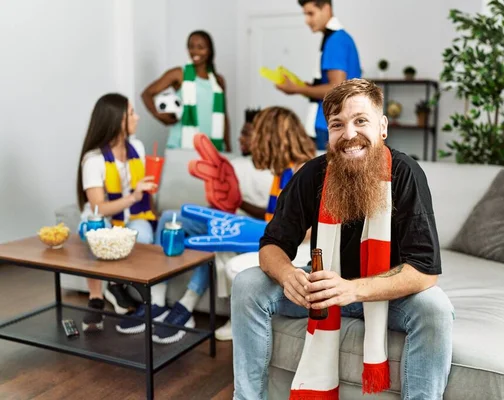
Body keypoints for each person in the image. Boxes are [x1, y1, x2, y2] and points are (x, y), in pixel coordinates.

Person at [230, 79, 454, 399]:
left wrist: (351, 289)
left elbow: (425, 270)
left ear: (383, 127)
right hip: (321, 291)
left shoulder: (405, 173)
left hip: (385, 295)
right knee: (247, 283)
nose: (349, 135)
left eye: (360, 121)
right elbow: (272, 245)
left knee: (436, 308)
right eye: (338, 124)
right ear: (329, 132)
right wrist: (288, 274)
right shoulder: (312, 174)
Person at [153, 106, 316, 344]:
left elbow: (311, 229)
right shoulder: (284, 170)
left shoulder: (305, 171)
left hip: (288, 247)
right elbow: (278, 215)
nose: (255, 142)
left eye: (259, 135)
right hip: (270, 235)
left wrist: (263, 233)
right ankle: (173, 304)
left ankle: (191, 307)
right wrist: (241, 207)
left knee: (218, 241)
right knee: (192, 224)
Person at [76, 93, 159, 333]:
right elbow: (98, 207)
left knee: (143, 238)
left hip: (133, 215)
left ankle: (116, 283)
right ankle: (97, 296)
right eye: (132, 113)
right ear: (117, 120)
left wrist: (147, 199)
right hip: (101, 217)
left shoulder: (138, 148)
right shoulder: (93, 160)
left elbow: (144, 191)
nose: (138, 117)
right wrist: (133, 196)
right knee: (97, 236)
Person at [276, 0, 361, 151]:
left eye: (311, 14)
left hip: (329, 123)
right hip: (337, 122)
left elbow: (335, 88)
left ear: (326, 9)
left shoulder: (335, 41)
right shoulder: (340, 38)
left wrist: (296, 89)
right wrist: (304, 87)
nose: (307, 20)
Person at [141, 30, 231, 152]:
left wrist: (228, 147)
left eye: (201, 47)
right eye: (191, 47)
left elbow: (224, 116)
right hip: (182, 145)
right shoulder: (179, 74)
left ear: (210, 51)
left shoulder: (218, 81)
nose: (195, 51)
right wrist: (159, 115)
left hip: (212, 148)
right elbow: (147, 94)